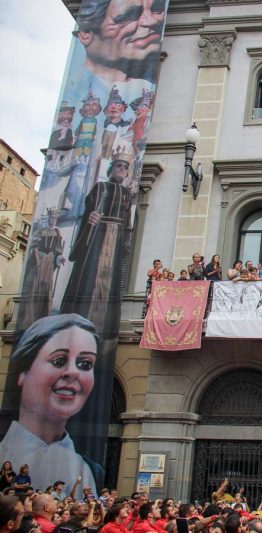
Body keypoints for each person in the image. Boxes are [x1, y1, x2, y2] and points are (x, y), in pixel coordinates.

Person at [0, 314, 100, 495]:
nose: (72, 372)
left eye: (85, 364)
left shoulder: (91, 471)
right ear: (23, 371)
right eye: (58, 361)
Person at [61, 149, 134, 335]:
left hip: (116, 238)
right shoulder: (100, 187)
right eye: (119, 165)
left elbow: (128, 221)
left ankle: (103, 320)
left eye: (125, 167)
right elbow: (88, 211)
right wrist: (91, 217)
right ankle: (82, 316)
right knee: (90, 272)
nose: (122, 169)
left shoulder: (127, 193)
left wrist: (126, 242)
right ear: (111, 169)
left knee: (111, 276)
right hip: (97, 235)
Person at [75, 0, 166, 84]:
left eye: (157, 10)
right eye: (128, 16)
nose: (151, 21)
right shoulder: (74, 92)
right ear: (85, 33)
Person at [18, 209, 65, 329]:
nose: (52, 220)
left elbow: (58, 248)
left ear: (56, 220)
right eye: (51, 218)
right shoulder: (40, 231)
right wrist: (36, 250)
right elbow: (34, 244)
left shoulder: (57, 232)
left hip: (49, 260)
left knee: (46, 286)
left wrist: (60, 257)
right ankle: (31, 317)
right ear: (48, 218)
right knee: (35, 284)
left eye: (54, 219)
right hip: (39, 258)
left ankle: (43, 316)